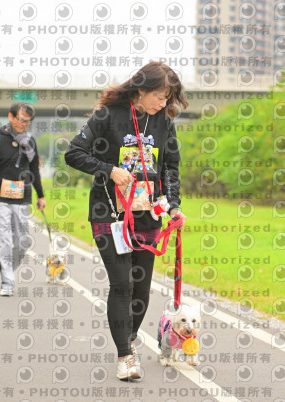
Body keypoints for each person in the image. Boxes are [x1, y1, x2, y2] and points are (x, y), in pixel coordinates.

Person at [64, 62, 187, 380]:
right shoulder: (108, 115)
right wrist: (109, 170)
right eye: (159, 96)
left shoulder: (164, 121)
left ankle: (128, 339)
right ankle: (125, 356)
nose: (163, 103)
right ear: (142, 89)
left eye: (168, 98)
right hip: (110, 214)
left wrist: (173, 207)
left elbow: (170, 167)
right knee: (122, 284)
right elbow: (73, 152)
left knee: (141, 290)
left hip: (147, 215)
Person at [0, 102, 46, 296]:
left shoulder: (30, 142)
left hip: (22, 196)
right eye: (20, 120)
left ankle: (8, 269)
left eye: (27, 121)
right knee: (5, 238)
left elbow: (34, 170)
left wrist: (41, 195)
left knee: (23, 242)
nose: (23, 124)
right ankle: (7, 282)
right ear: (11, 117)